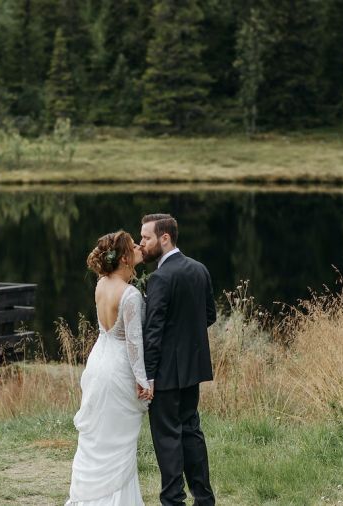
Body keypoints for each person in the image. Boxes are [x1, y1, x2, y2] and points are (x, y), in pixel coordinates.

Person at [66, 230, 150, 506]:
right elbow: (134, 345)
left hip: (98, 361)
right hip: (118, 369)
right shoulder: (130, 294)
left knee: (101, 436)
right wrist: (143, 381)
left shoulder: (101, 284)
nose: (140, 247)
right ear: (125, 258)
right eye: (134, 245)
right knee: (120, 441)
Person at [139, 213, 216, 506]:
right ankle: (204, 498)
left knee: (167, 437)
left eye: (146, 237)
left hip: (167, 374)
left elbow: (153, 332)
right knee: (191, 431)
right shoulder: (199, 269)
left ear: (164, 238)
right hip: (192, 369)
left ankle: (173, 500)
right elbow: (210, 316)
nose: (141, 243)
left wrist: (148, 376)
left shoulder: (160, 277)